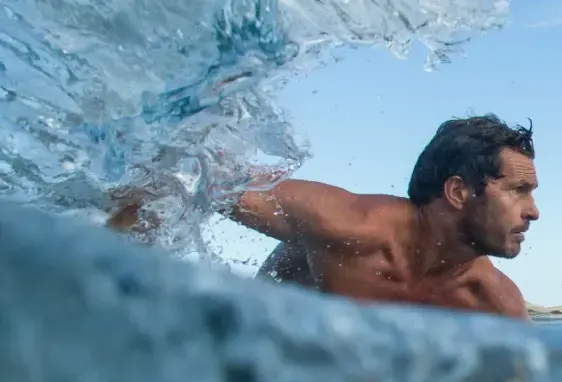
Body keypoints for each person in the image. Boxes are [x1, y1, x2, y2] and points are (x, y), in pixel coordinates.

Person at [108, 115, 539, 321]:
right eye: (519, 190)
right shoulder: (347, 227)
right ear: (458, 192)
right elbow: (190, 175)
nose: (533, 211)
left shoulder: (497, 306)